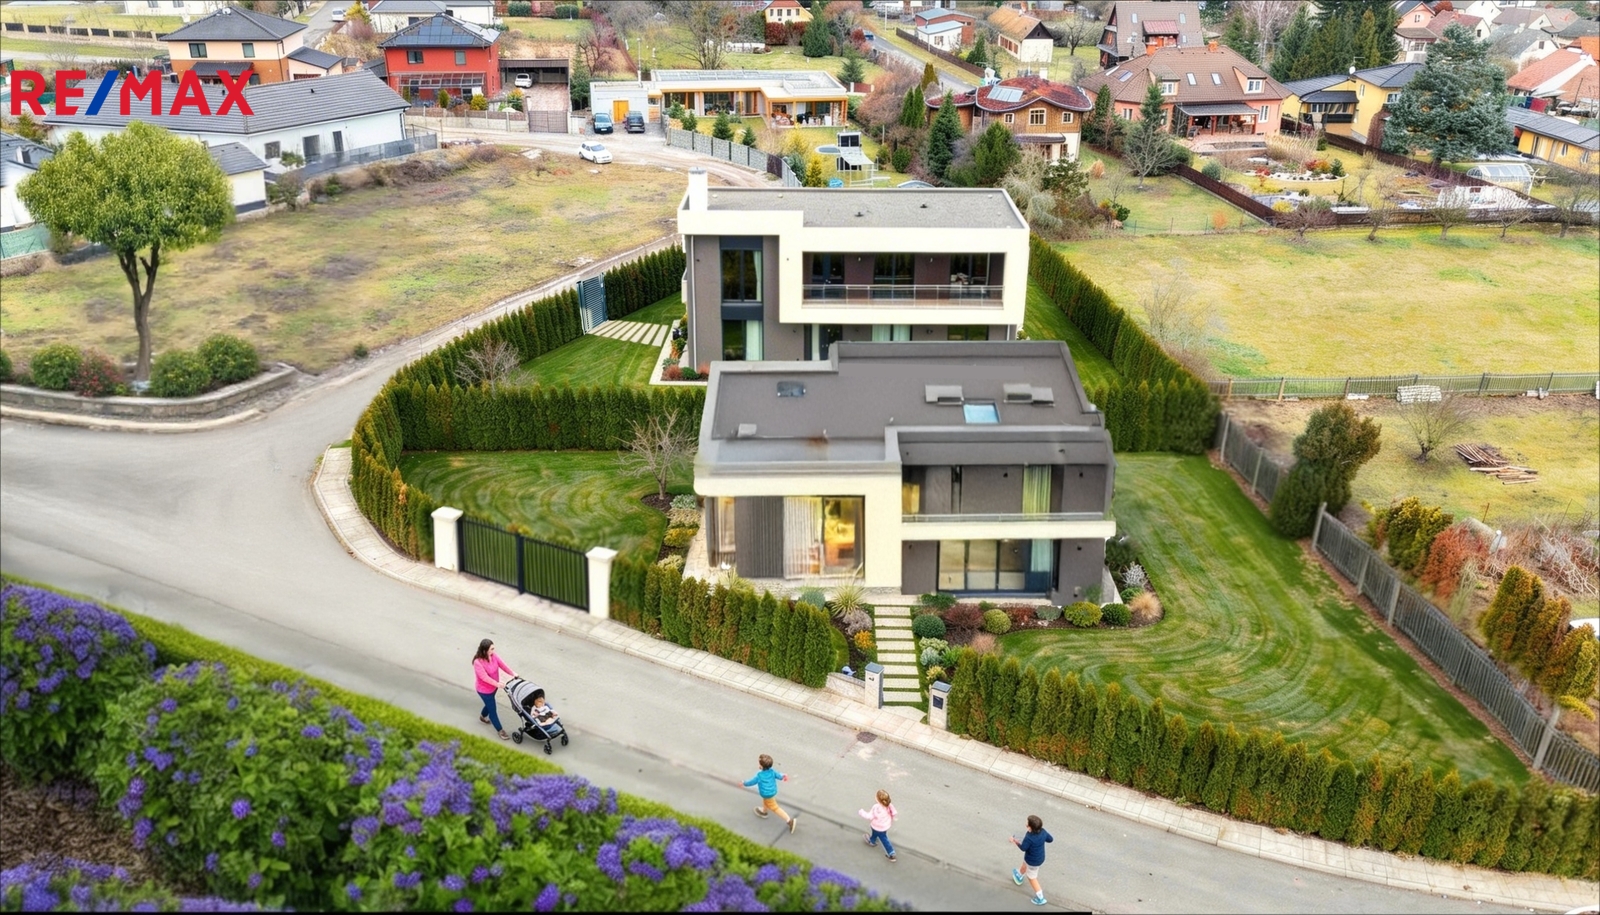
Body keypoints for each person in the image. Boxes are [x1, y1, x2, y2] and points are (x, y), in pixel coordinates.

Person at [472, 638, 516, 740]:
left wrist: (512, 673)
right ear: (485, 650)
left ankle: (482, 716)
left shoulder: (493, 656)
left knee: (489, 704)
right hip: (484, 691)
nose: (493, 651)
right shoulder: (478, 662)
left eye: (493, 648)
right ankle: (500, 731)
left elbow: (503, 665)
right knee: (493, 710)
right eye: (491, 649)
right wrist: (497, 684)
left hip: (494, 688)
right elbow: (484, 677)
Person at [743, 754, 797, 833]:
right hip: (771, 792)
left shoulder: (759, 775)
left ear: (761, 766)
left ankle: (789, 821)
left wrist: (743, 783)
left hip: (767, 794)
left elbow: (751, 782)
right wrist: (784, 776)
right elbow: (779, 776)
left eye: (759, 763)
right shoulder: (772, 771)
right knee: (766, 801)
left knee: (775, 808)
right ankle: (764, 811)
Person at [1010, 814, 1053, 906]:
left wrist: (1015, 841)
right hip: (1039, 857)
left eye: (1027, 822)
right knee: (1025, 863)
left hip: (1033, 861)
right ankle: (1019, 875)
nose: (1026, 823)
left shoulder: (1029, 837)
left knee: (1032, 878)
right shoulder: (1043, 831)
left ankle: (1040, 897)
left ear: (1030, 827)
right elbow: (1050, 839)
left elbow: (1023, 848)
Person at [858, 789, 898, 862]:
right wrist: (893, 817)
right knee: (878, 834)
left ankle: (891, 853)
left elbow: (870, 816)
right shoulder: (888, 804)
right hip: (885, 825)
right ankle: (872, 840)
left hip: (877, 826)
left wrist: (861, 812)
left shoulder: (876, 807)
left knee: (884, 839)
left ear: (877, 799)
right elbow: (894, 811)